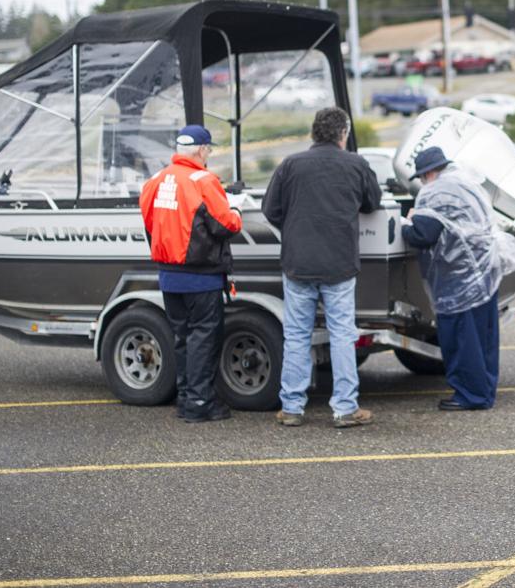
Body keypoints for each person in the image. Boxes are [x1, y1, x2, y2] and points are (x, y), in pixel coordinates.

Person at [263, 107, 381, 428]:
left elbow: (270, 209)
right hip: (339, 264)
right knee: (342, 334)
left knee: (297, 335)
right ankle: (344, 408)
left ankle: (292, 408)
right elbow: (373, 202)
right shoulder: (356, 164)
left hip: (298, 263)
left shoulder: (290, 164)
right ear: (343, 133)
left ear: (314, 133)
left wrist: (295, 228)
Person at [139, 124, 244, 423]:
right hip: (202, 275)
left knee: (182, 337)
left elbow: (149, 223)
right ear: (200, 150)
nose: (208, 154)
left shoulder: (155, 180)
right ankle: (200, 403)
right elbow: (227, 225)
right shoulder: (203, 180)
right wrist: (235, 208)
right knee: (203, 338)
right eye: (209, 149)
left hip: (168, 275)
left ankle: (186, 398)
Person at [401, 147, 503, 411]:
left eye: (422, 177)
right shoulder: (466, 183)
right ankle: (484, 391)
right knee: (484, 339)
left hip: (458, 281)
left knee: (461, 339)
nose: (423, 182)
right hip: (485, 273)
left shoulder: (435, 192)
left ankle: (469, 396)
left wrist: (405, 224)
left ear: (428, 173)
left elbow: (424, 235)